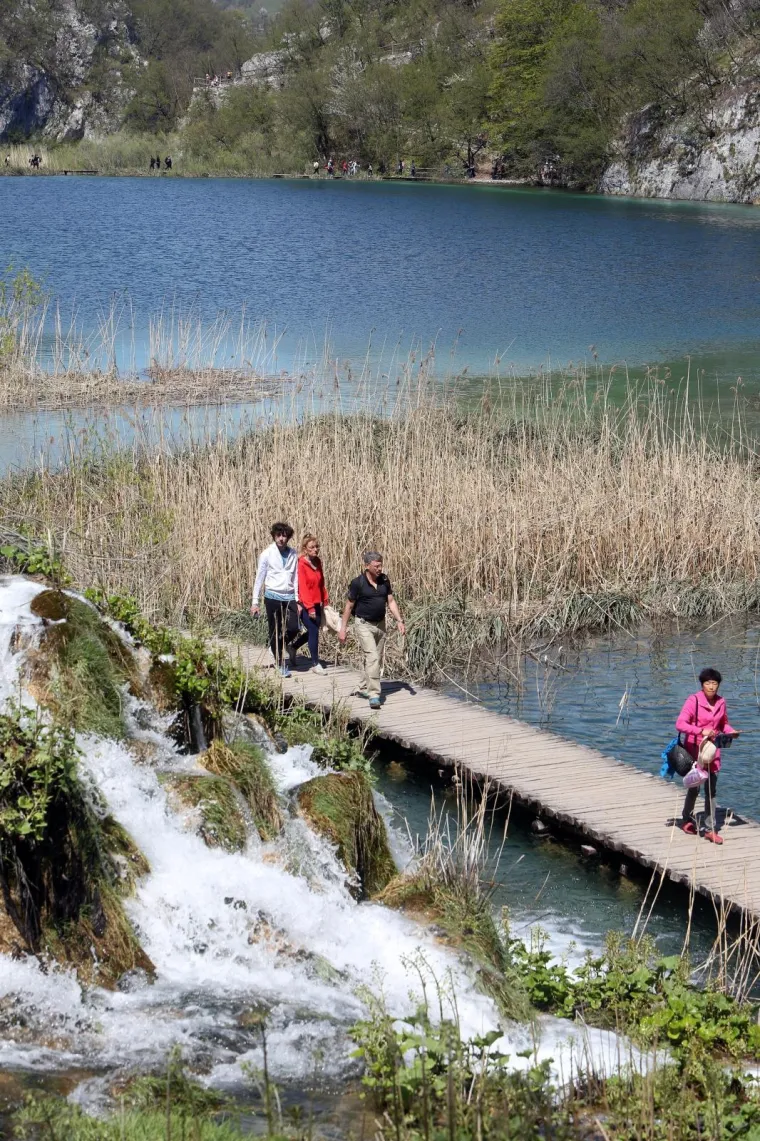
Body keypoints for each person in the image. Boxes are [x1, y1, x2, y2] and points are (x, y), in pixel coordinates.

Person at [676, 668, 740, 844]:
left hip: (713, 751)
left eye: (714, 683)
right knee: (694, 787)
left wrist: (731, 732)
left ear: (718, 685)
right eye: (707, 683)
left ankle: (710, 829)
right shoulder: (693, 700)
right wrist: (700, 730)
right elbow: (680, 724)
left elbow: (723, 724)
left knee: (711, 789)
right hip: (694, 750)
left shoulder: (721, 702)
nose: (711, 687)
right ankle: (686, 819)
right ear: (702, 685)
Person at [339, 551, 405, 710]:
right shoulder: (357, 583)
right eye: (376, 566)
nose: (380, 568)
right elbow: (349, 606)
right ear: (367, 566)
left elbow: (391, 601)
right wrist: (343, 628)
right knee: (373, 657)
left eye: (381, 565)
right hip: (363, 624)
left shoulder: (384, 580)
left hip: (380, 625)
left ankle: (362, 688)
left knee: (375, 659)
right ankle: (374, 695)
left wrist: (399, 620)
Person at [251, 522, 300, 677]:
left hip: (289, 595)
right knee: (275, 629)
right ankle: (280, 663)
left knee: (294, 627)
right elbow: (259, 578)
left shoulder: (293, 554)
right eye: (278, 535)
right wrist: (255, 602)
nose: (281, 539)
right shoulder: (267, 554)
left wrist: (298, 599)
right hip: (272, 595)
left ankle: (277, 646)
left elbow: (296, 577)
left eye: (284, 536)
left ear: (288, 537)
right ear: (274, 536)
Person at [294, 533, 328, 673]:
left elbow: (321, 582)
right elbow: (303, 587)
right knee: (313, 630)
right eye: (312, 547)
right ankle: (315, 663)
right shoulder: (301, 563)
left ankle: (293, 647)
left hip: (317, 601)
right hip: (306, 603)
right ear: (305, 549)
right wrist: (309, 608)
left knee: (314, 630)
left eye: (316, 547)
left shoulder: (318, 562)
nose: (315, 549)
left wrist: (325, 600)